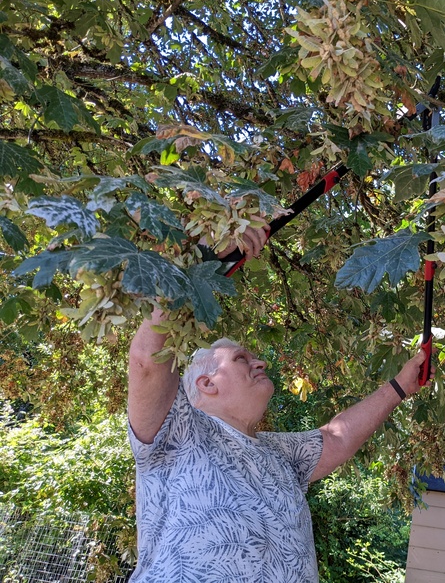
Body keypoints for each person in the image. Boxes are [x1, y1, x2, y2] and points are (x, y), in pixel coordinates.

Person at [127, 224, 426, 582]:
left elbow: (337, 438)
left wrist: (400, 385)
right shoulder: (179, 429)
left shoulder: (278, 453)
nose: (260, 363)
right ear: (206, 384)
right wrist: (203, 256)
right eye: (241, 359)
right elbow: (147, 359)